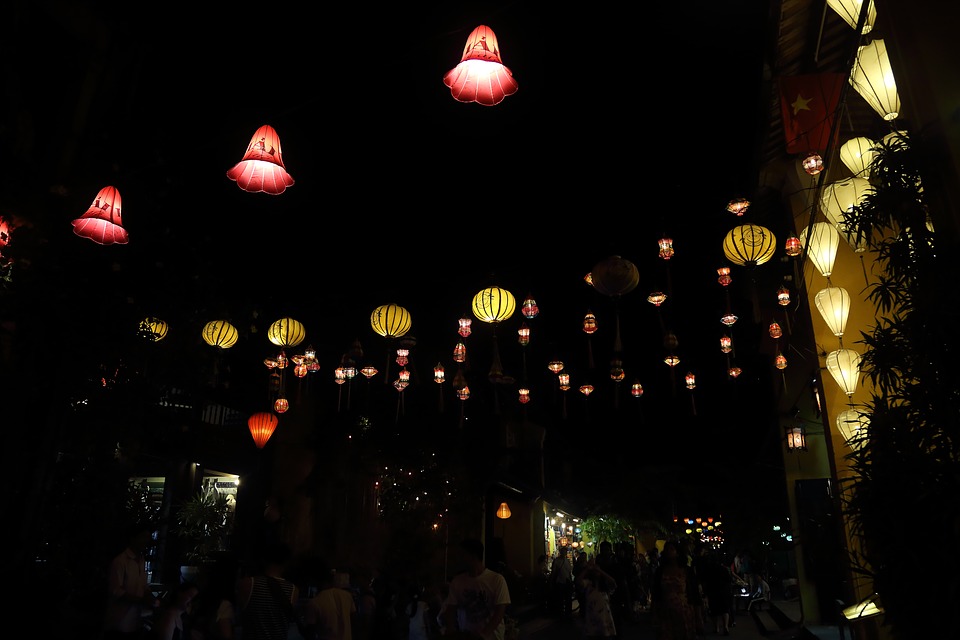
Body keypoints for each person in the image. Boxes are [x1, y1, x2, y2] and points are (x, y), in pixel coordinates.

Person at [440, 538, 511, 640]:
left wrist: (483, 635)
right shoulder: (457, 581)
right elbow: (451, 608)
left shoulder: (496, 580)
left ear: (473, 556)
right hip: (466, 636)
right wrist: (450, 629)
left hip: (491, 637)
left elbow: (499, 612)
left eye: (462, 555)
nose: (459, 559)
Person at [103, 524, 158, 640]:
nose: (147, 541)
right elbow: (116, 591)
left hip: (135, 620)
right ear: (133, 539)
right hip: (119, 621)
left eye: (148, 538)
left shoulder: (141, 560)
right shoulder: (120, 561)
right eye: (143, 537)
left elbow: (143, 585)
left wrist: (149, 596)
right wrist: (142, 600)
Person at [236, 540, 300, 640]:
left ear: (263, 559)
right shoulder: (293, 590)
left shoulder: (248, 584)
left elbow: (239, 616)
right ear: (286, 562)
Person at [650, 540, 696, 640]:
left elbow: (693, 592)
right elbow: (656, 592)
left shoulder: (686, 570)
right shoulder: (660, 571)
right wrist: (654, 611)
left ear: (677, 552)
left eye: (672, 549)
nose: (669, 552)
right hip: (665, 611)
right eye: (667, 549)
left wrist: (698, 613)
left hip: (683, 611)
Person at [300, 563, 357, 640]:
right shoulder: (347, 595)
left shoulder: (315, 602)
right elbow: (353, 619)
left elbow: (309, 633)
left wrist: (297, 620)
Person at [577, 560, 618, 639]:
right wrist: (587, 569)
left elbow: (613, 582)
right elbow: (578, 581)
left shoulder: (605, 586)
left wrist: (600, 571)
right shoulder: (588, 584)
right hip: (592, 620)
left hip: (605, 618)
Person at [549, 545, 574, 618]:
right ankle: (561, 614)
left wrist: (570, 581)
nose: (564, 553)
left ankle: (567, 614)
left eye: (565, 551)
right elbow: (554, 572)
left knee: (568, 599)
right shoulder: (557, 561)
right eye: (563, 551)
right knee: (560, 599)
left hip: (567, 582)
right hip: (560, 582)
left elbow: (569, 572)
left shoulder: (567, 561)